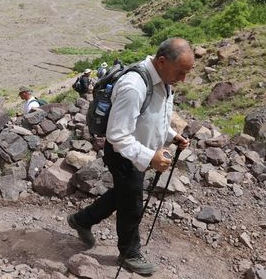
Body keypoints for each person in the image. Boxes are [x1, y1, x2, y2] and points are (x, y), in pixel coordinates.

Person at [67, 38, 195, 275]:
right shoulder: (134, 85)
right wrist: (150, 156)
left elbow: (153, 116)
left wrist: (171, 135)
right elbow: (117, 135)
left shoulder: (163, 79)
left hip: (140, 152)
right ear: (162, 61)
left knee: (123, 194)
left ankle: (82, 220)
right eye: (180, 72)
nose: (183, 79)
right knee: (132, 202)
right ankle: (129, 252)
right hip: (124, 154)